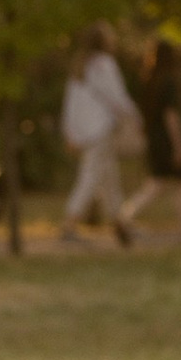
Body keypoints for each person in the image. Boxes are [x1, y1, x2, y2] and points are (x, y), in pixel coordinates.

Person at [60, 25, 141, 248]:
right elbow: (117, 96)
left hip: (87, 130)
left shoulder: (81, 66)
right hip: (100, 129)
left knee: (109, 177)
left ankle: (120, 224)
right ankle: (70, 223)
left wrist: (70, 131)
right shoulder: (104, 65)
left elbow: (71, 104)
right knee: (91, 175)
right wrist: (135, 117)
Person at [134, 35, 181, 238]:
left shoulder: (148, 80)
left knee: (158, 183)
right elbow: (170, 116)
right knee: (180, 182)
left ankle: (126, 215)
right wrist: (179, 145)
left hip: (155, 139)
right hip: (169, 139)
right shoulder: (169, 82)